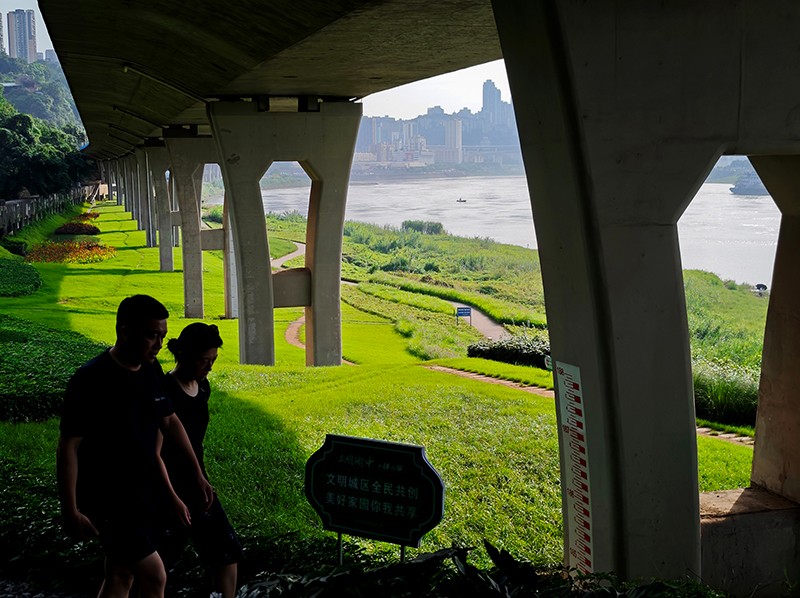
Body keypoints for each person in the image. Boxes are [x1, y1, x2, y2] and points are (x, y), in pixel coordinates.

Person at [57, 295, 214, 598]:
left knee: (120, 574)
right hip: (106, 498)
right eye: (151, 335)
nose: (158, 344)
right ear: (124, 330)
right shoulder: (90, 380)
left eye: (163, 336)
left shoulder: (151, 371)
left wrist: (197, 475)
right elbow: (68, 448)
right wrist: (70, 509)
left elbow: (171, 423)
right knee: (154, 576)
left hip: (141, 493)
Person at [156, 323, 242, 598]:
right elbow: (154, 452)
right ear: (185, 356)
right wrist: (171, 496)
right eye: (205, 361)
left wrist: (199, 478)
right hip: (166, 485)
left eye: (213, 361)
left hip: (197, 482)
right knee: (159, 560)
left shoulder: (203, 387)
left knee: (227, 550)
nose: (209, 368)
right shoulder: (165, 391)